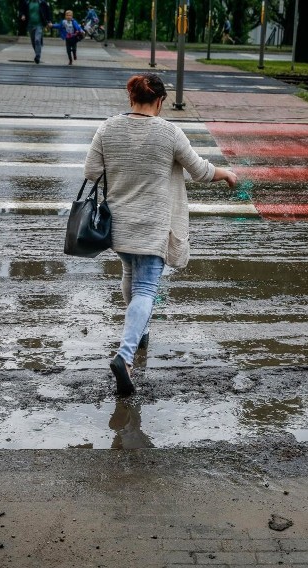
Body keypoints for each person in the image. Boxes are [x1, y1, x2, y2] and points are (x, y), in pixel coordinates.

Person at [82, 73, 238, 397]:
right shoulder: (170, 132)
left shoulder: (107, 128)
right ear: (161, 101)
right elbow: (199, 171)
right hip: (153, 225)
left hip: (119, 224)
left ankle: (140, 332)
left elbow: (92, 172)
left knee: (129, 272)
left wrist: (124, 169)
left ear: (131, 98)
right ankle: (124, 357)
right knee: (147, 287)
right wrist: (225, 173)